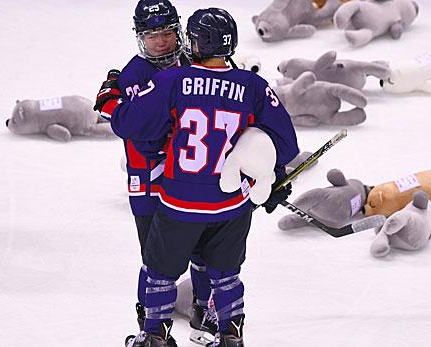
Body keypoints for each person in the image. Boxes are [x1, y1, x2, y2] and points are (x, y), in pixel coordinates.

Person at [96, 7, 299, 347]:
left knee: (158, 268)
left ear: (193, 42)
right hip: (229, 202)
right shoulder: (253, 85)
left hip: (178, 200)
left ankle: (155, 335)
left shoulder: (172, 81)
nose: (162, 41)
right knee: (225, 270)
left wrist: (111, 102)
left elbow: (131, 125)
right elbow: (286, 144)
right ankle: (230, 334)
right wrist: (269, 175)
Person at [93, 0, 216, 344]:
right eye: (151, 36)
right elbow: (141, 132)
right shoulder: (134, 73)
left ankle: (202, 307)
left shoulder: (195, 62)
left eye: (165, 33)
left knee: (202, 245)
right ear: (140, 38)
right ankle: (149, 313)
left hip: (190, 177)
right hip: (148, 178)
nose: (160, 42)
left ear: (177, 31)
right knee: (155, 254)